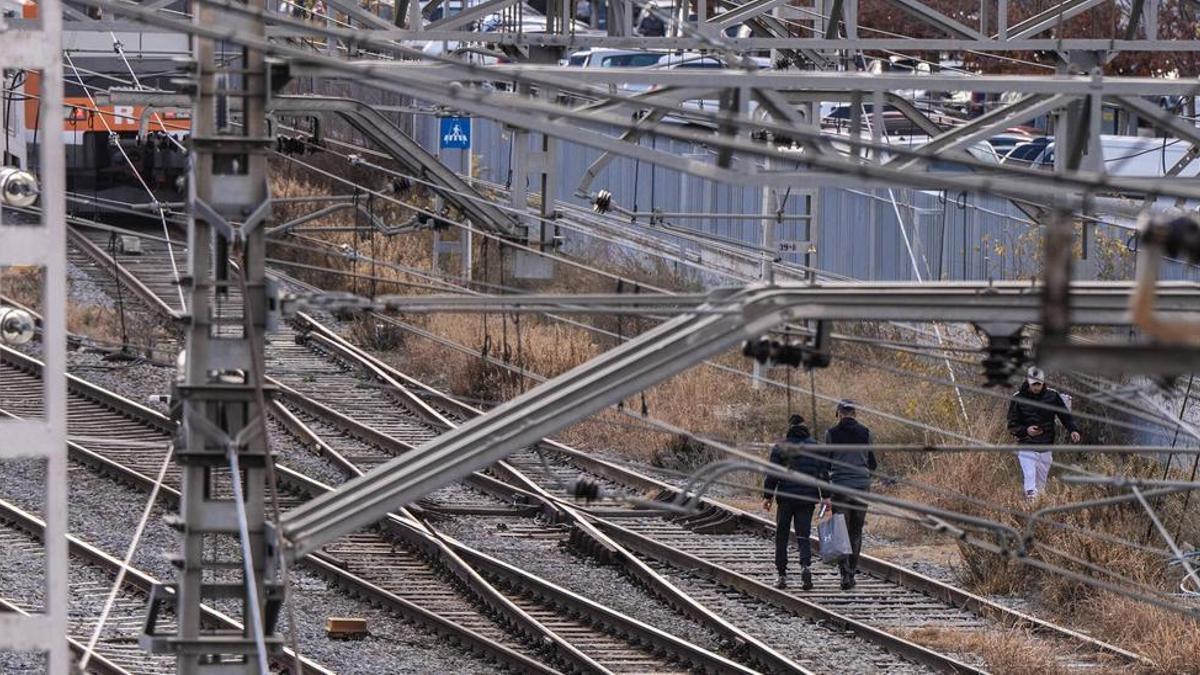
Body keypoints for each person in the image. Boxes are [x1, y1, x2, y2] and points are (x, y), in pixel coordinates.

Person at [763, 414, 827, 590]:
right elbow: (822, 475)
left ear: (789, 427)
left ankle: (782, 575)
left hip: (786, 498)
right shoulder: (815, 447)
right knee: (803, 536)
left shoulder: (781, 446)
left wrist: (767, 496)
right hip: (807, 498)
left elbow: (772, 474)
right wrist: (826, 497)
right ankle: (805, 567)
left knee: (782, 535)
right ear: (805, 426)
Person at [1007, 366, 1080, 500]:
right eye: (1034, 384)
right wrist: (1026, 431)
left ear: (1043, 382)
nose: (1036, 387)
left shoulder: (1052, 396)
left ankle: (1038, 509)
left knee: (1041, 485)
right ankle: (1029, 505)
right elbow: (1012, 425)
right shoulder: (1017, 399)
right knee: (1029, 476)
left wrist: (1073, 429)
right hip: (1026, 445)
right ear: (1028, 382)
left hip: (1046, 445)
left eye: (1038, 384)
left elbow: (1065, 415)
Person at [825, 399, 876, 590]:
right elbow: (872, 463)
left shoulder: (831, 433)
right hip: (862, 486)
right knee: (856, 530)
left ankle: (844, 573)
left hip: (840, 486)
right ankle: (852, 572)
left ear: (838, 413)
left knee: (841, 530)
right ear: (855, 413)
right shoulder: (866, 433)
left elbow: (826, 462)